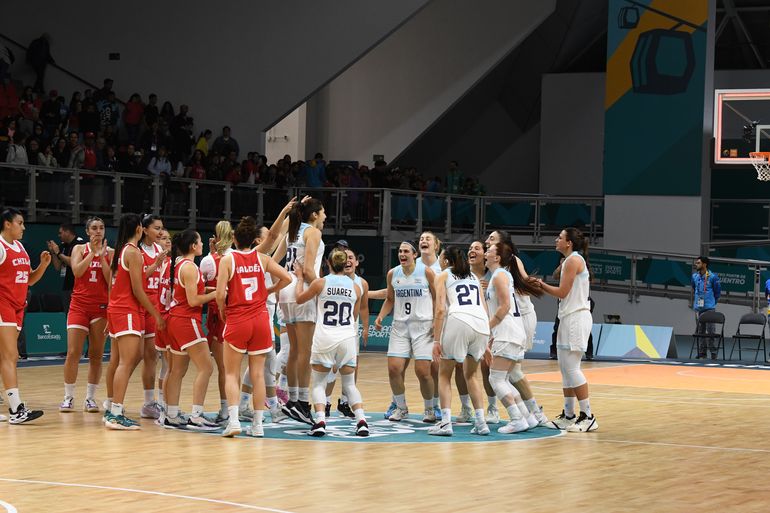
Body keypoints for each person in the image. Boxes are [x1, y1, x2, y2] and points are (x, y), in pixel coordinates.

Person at [217, 217, 291, 438]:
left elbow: (220, 294)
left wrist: (222, 309)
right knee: (258, 374)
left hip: (238, 318)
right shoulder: (261, 258)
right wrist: (267, 291)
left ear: (233, 239)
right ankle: (258, 425)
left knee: (231, 373)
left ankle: (233, 421)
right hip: (260, 320)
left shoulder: (227, 260)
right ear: (253, 240)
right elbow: (287, 278)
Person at [295, 247, 369, 437]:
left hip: (325, 337)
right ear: (345, 264)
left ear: (328, 263)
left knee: (319, 384)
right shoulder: (356, 287)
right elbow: (353, 317)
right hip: (346, 337)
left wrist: (301, 279)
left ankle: (320, 421)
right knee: (350, 385)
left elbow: (299, 299)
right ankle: (361, 420)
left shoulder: (320, 283)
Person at [104, 213, 165, 430]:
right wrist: (156, 314)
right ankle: (115, 414)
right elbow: (138, 290)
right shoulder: (133, 252)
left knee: (124, 360)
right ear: (139, 230)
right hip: (127, 310)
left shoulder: (123, 250)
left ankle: (112, 408)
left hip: (118, 309)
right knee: (126, 362)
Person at [535, 227, 598, 432]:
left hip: (576, 317)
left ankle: (588, 416)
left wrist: (541, 285)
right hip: (567, 317)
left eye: (560, 237)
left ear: (569, 242)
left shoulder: (573, 260)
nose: (556, 239)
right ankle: (569, 415)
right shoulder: (569, 261)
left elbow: (562, 292)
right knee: (565, 369)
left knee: (572, 368)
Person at [486, 230, 550, 426]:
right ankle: (528, 416)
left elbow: (522, 284)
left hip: (520, 317)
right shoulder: (496, 270)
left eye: (491, 239)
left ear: (502, 248)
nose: (487, 241)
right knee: (509, 374)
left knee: (511, 374)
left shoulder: (510, 262)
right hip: (511, 319)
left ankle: (534, 414)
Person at [429, 246, 490, 437]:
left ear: (446, 261)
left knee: (444, 374)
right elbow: (484, 307)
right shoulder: (473, 277)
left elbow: (440, 310)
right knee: (471, 375)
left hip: (459, 321)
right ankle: (481, 423)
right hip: (482, 325)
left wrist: (436, 340)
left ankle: (445, 423)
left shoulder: (443, 275)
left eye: (440, 257)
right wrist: (487, 340)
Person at [162, 230, 219, 431]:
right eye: (200, 241)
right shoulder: (191, 268)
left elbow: (191, 292)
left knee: (176, 370)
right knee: (206, 368)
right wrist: (217, 295)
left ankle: (171, 414)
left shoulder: (179, 264)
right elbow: (194, 300)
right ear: (193, 246)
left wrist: (211, 290)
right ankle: (196, 416)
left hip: (175, 320)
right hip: (187, 320)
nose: (203, 244)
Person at [276, 198, 326, 424]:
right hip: (303, 290)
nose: (325, 217)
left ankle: (293, 401)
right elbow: (307, 269)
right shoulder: (313, 233)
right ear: (315, 214)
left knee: (295, 350)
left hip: (286, 291)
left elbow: (275, 260)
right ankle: (304, 403)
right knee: (305, 351)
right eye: (323, 213)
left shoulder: (293, 232)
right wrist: (323, 289)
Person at [374, 241, 437, 422]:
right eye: (400, 251)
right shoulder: (393, 273)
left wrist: (436, 320)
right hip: (400, 326)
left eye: (406, 251)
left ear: (414, 255)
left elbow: (436, 297)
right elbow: (390, 299)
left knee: (423, 372)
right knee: (394, 369)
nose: (402, 254)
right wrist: (380, 316)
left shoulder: (426, 272)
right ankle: (401, 408)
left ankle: (429, 409)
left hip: (423, 326)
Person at [0, 207, 50, 423]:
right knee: (11, 356)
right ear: (7, 224)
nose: (23, 227)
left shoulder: (20, 247)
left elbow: (29, 280)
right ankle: (16, 410)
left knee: (3, 357)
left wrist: (44, 266)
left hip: (18, 307)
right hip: (3, 305)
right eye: (19, 223)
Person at [60, 217, 112, 413]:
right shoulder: (79, 249)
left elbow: (109, 280)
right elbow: (77, 271)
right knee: (73, 352)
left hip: (100, 308)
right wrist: (93, 254)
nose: (98, 231)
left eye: (101, 227)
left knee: (96, 354)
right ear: (88, 231)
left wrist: (102, 256)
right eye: (94, 228)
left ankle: (90, 398)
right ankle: (68, 396)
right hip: (79, 306)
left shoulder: (112, 252)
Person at [46, 223, 84, 312]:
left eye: (60, 233)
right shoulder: (63, 246)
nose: (59, 235)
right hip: (67, 286)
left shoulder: (79, 244)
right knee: (68, 314)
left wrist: (59, 253)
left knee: (77, 314)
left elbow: (74, 263)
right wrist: (53, 253)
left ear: (67, 232)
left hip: (78, 287)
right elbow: (57, 267)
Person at [692, 256, 721, 360]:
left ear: (704, 264)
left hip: (709, 308)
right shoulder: (694, 277)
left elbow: (717, 292)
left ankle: (713, 353)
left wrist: (712, 303)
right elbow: (694, 287)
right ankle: (702, 353)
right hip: (698, 308)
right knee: (700, 332)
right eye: (696, 262)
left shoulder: (713, 277)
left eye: (698, 263)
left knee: (711, 331)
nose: (696, 264)